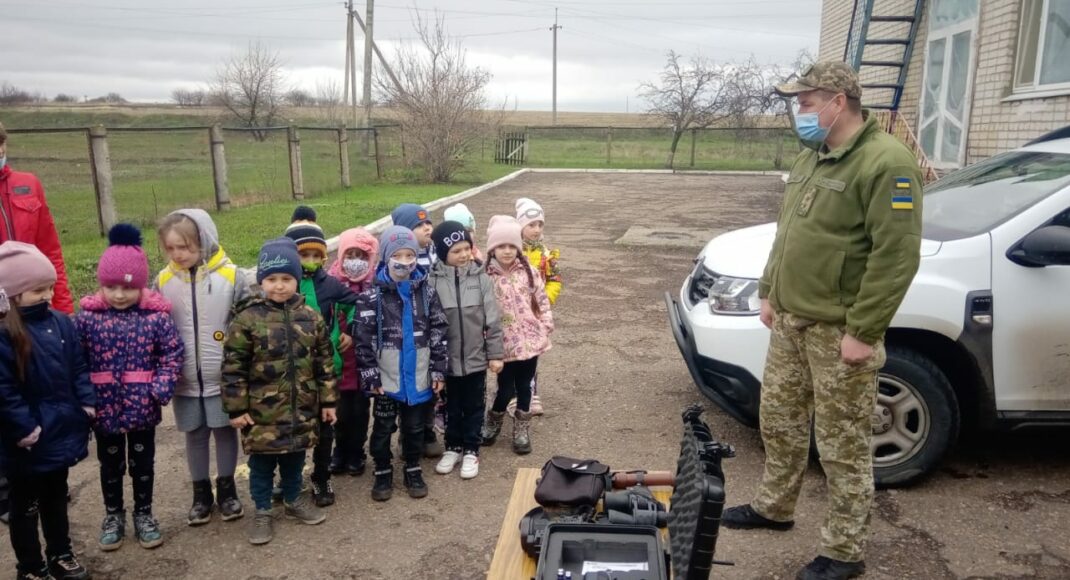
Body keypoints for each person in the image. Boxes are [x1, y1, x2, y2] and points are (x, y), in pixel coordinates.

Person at [720, 61, 923, 580]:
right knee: (781, 424)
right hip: (790, 320)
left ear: (838, 102)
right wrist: (770, 291)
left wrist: (865, 331)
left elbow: (895, 256)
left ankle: (844, 550)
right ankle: (774, 507)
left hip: (839, 331)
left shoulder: (886, 162)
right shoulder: (816, 156)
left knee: (842, 444)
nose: (799, 112)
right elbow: (789, 233)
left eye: (806, 102)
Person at [74, 224, 184, 551]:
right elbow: (75, 360)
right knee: (109, 465)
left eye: (127, 288)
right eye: (111, 287)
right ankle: (113, 515)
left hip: (142, 407)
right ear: (101, 284)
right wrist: (83, 396)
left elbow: (172, 352)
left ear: (139, 286)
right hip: (103, 407)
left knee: (142, 464)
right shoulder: (87, 319)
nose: (119, 295)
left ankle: (144, 514)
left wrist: (161, 386)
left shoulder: (155, 319)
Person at [222, 237, 337, 545]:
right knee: (260, 465)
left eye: (287, 279)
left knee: (295, 458)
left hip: (301, 409)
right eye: (271, 279)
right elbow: (233, 366)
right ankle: (261, 510)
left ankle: (292, 499)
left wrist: (327, 401)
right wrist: (236, 408)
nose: (279, 286)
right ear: (261, 281)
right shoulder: (246, 319)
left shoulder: (310, 317)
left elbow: (324, 361)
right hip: (261, 413)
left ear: (297, 279)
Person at [0, 242, 94, 580]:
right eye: (38, 289)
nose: (48, 295)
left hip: (59, 429)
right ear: (12, 294)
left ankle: (60, 554)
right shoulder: (5, 334)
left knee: (56, 497)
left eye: (50, 287)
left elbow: (79, 366)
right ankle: (30, 567)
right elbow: (4, 390)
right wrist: (24, 428)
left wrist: (86, 402)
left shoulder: (61, 323)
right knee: (24, 507)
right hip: (24, 441)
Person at [155, 209, 247, 526]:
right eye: (171, 248)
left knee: (224, 432)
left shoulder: (232, 276)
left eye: (185, 247)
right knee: (194, 434)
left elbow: (245, 323)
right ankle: (201, 494)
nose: (178, 254)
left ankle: (227, 490)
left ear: (204, 242)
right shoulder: (163, 281)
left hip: (223, 377)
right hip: (184, 380)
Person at [352, 226, 448, 501]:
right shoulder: (371, 297)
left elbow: (439, 332)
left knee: (415, 428)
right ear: (385, 258)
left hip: (418, 377)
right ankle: (382, 470)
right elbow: (362, 339)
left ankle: (413, 467)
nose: (404, 261)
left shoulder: (427, 295)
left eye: (410, 255)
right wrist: (371, 377)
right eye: (398, 255)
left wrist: (438, 369)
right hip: (387, 380)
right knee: (382, 428)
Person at [283, 206, 357, 507]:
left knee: (326, 426)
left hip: (327, 369)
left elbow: (354, 303)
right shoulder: (284, 286)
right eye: (304, 255)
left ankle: (321, 475)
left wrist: (349, 330)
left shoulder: (330, 284)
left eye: (317, 255)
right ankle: (290, 478)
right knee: (293, 426)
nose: (311, 262)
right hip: (291, 372)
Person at [429, 221, 504, 479]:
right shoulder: (432, 281)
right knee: (451, 406)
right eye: (456, 251)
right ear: (442, 253)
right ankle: (453, 447)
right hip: (447, 362)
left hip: (475, 359)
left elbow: (492, 320)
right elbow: (429, 324)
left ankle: (472, 449)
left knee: (474, 405)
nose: (463, 255)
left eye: (466, 249)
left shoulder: (481, 279)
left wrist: (495, 354)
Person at [480, 216, 553, 455]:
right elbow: (479, 310)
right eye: (502, 246)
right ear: (492, 248)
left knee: (525, 387)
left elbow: (541, 299)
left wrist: (545, 325)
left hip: (530, 341)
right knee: (505, 389)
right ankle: (494, 420)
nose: (508, 251)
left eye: (512, 246)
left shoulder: (529, 272)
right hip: (503, 344)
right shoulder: (485, 277)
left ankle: (521, 429)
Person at [389, 202, 445, 458]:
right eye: (419, 225)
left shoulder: (436, 251)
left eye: (428, 223)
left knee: (430, 385)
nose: (426, 228)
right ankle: (407, 435)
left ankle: (428, 430)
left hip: (433, 324)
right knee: (410, 388)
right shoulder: (405, 258)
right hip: (408, 330)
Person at [0, 122, 73, 314]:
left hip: (36, 303)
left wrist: (63, 309)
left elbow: (51, 251)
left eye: (1, 143)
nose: (0, 151)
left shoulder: (29, 184)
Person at [326, 227, 380, 478]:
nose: (356, 261)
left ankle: (357, 450)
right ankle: (340, 450)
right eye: (351, 255)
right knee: (340, 409)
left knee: (359, 409)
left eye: (361, 256)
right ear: (341, 255)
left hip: (364, 361)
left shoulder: (374, 285)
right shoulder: (330, 283)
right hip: (338, 359)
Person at [515, 197, 561, 416]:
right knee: (512, 353)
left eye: (540, 224)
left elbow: (555, 280)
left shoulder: (546, 254)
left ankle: (531, 393)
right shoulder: (512, 250)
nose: (536, 229)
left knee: (533, 353)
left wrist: (546, 300)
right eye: (531, 225)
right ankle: (510, 395)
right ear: (520, 226)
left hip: (536, 312)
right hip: (513, 313)